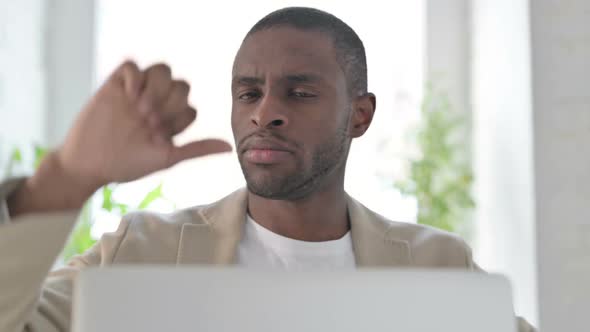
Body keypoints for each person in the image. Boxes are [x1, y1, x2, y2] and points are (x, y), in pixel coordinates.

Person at [0, 7, 535, 332]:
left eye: (299, 92)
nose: (264, 112)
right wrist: (66, 177)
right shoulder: (141, 253)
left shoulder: (440, 268)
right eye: (248, 93)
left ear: (360, 115)